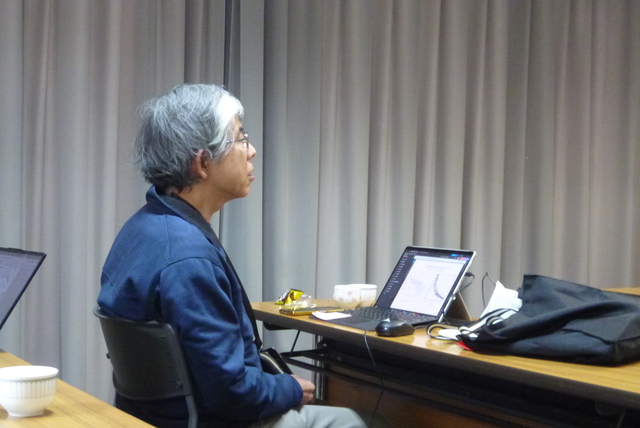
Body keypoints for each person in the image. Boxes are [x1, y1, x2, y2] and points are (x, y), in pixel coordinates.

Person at [97, 84, 366, 428]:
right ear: (202, 163)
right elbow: (230, 395)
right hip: (208, 421)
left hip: (154, 417)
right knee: (352, 419)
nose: (251, 151)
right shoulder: (187, 259)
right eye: (241, 138)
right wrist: (290, 388)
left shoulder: (142, 228)